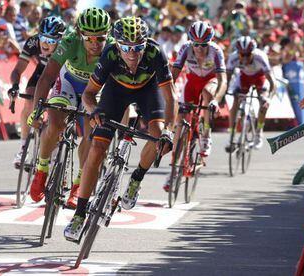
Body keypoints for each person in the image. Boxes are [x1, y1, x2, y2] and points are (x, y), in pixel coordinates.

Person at [62, 16, 176, 241]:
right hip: (116, 91)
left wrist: (168, 130)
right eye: (125, 47)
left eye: (137, 48)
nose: (131, 53)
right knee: (96, 149)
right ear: (117, 45)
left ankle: (136, 178)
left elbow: (171, 98)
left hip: (148, 91)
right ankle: (79, 214)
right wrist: (94, 112)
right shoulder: (110, 54)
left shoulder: (154, 53)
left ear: (145, 44)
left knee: (157, 135)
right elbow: (88, 94)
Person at [28, 8, 113, 209]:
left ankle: (78, 186)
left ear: (107, 35)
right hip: (67, 82)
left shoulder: (112, 49)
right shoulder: (70, 41)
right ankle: (42, 169)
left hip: (94, 91)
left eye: (99, 39)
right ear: (79, 34)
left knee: (92, 136)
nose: (94, 44)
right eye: (89, 38)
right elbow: (47, 76)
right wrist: (37, 109)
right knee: (56, 124)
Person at [163, 21, 227, 191]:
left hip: (210, 81)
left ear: (209, 42)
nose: (199, 48)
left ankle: (206, 133)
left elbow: (223, 80)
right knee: (180, 123)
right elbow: (174, 74)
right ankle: (173, 171)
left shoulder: (216, 51)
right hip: (192, 83)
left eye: (203, 44)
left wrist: (216, 99)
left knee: (207, 93)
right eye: (196, 44)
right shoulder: (186, 48)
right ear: (191, 41)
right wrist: (166, 94)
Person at [9, 16, 66, 167]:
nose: (46, 44)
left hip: (61, 75)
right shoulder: (33, 42)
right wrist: (14, 86)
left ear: (59, 41)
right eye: (43, 38)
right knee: (29, 98)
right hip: (42, 72)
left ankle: (54, 152)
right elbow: (18, 69)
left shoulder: (66, 47)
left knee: (58, 110)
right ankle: (23, 148)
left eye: (52, 40)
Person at [225, 36, 276, 150]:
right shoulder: (233, 58)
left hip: (260, 77)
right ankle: (232, 135)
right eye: (242, 55)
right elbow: (227, 79)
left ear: (253, 53)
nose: (245, 57)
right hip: (244, 77)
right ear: (238, 53)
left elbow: (273, 83)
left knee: (263, 104)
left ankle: (258, 133)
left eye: (248, 54)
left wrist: (269, 99)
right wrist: (224, 94)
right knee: (235, 101)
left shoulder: (261, 57)